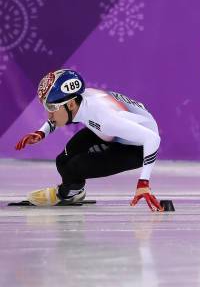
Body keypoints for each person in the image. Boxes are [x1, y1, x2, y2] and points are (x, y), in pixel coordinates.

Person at [15, 69, 163, 211]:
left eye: (51, 107)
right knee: (62, 161)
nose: (49, 115)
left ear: (71, 104)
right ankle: (75, 190)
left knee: (76, 166)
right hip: (111, 132)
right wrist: (41, 133)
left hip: (138, 147)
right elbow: (57, 117)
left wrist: (143, 182)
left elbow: (152, 138)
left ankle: (66, 194)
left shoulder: (106, 119)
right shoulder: (80, 100)